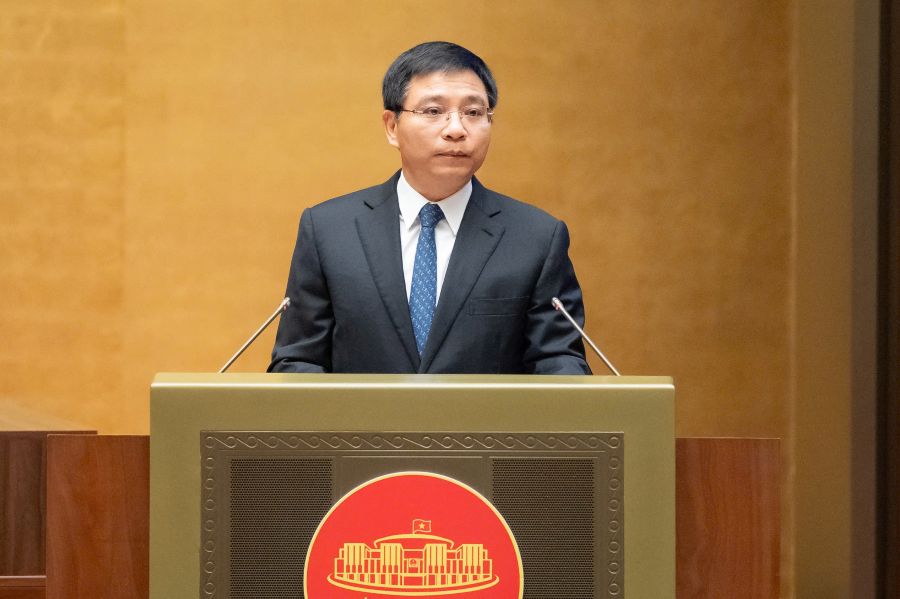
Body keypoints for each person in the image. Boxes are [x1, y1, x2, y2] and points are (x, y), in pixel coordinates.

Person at [268, 41, 590, 375]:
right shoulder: (329, 231)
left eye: (473, 113)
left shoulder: (536, 238)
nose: (456, 130)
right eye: (434, 111)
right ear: (392, 127)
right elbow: (298, 361)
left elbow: (558, 361)